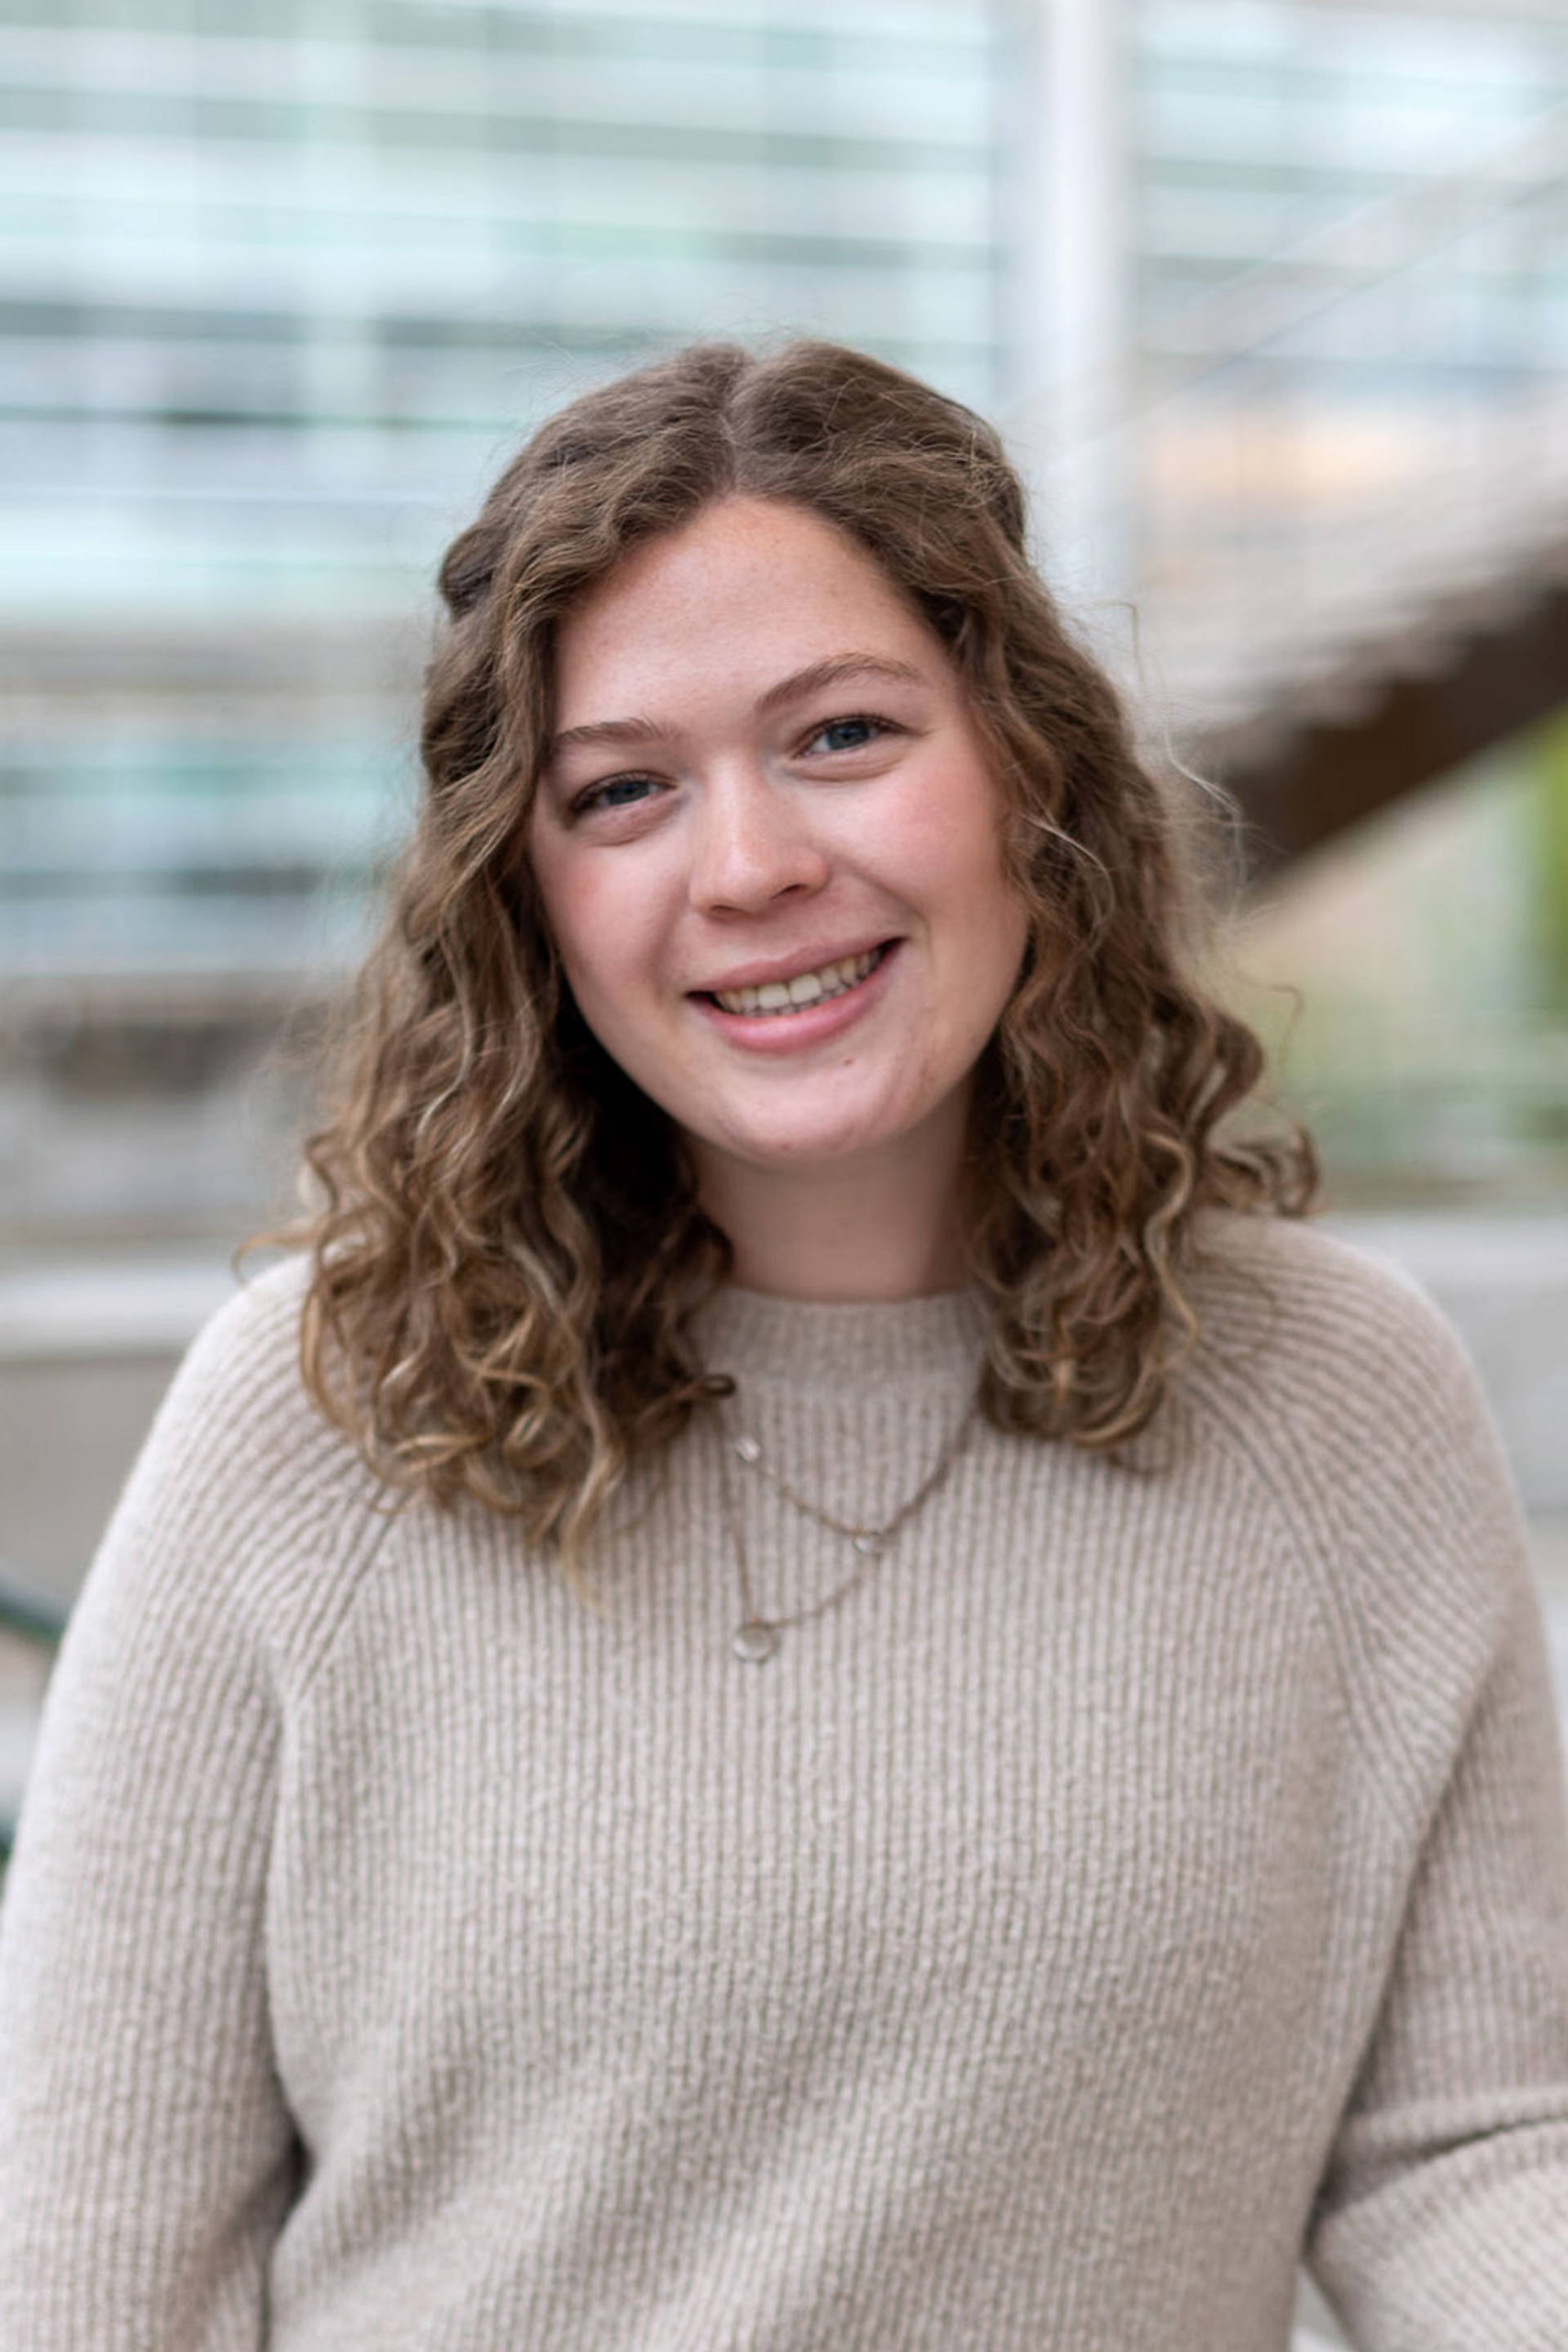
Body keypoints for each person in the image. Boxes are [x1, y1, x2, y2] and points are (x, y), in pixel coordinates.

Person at [1, 339, 1566, 2352]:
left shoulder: (1336, 1401)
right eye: (625, 788)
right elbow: (83, 2256)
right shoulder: (317, 1420)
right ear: (530, 892)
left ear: (1029, 765)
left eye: (839, 735)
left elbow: (1466, 2144)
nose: (747, 868)